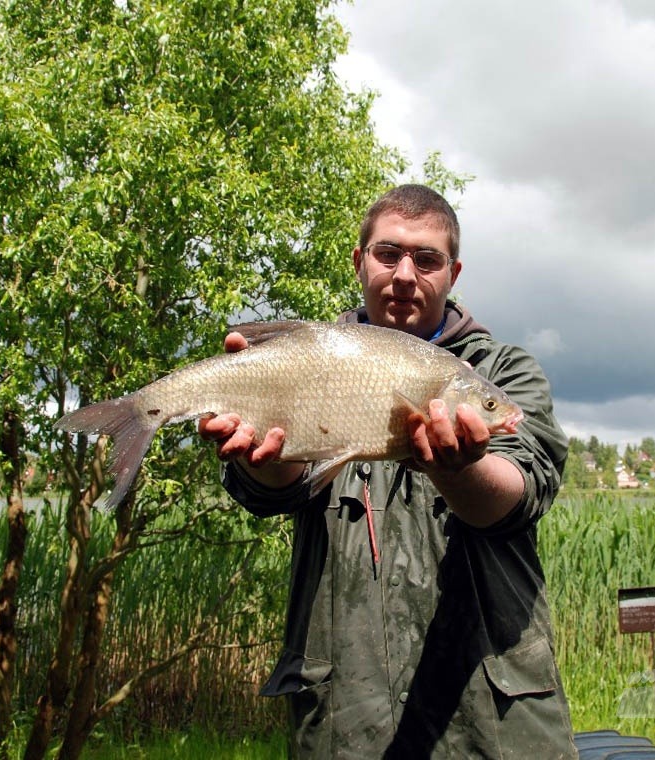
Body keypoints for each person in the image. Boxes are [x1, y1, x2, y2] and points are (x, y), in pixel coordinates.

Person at [199, 184, 577, 758]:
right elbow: (280, 489)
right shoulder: (312, 360)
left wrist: (456, 471)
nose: (405, 274)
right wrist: (267, 465)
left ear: (452, 273)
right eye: (388, 254)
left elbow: (518, 493)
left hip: (494, 727)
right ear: (360, 262)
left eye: (426, 260)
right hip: (346, 719)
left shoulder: (500, 371)